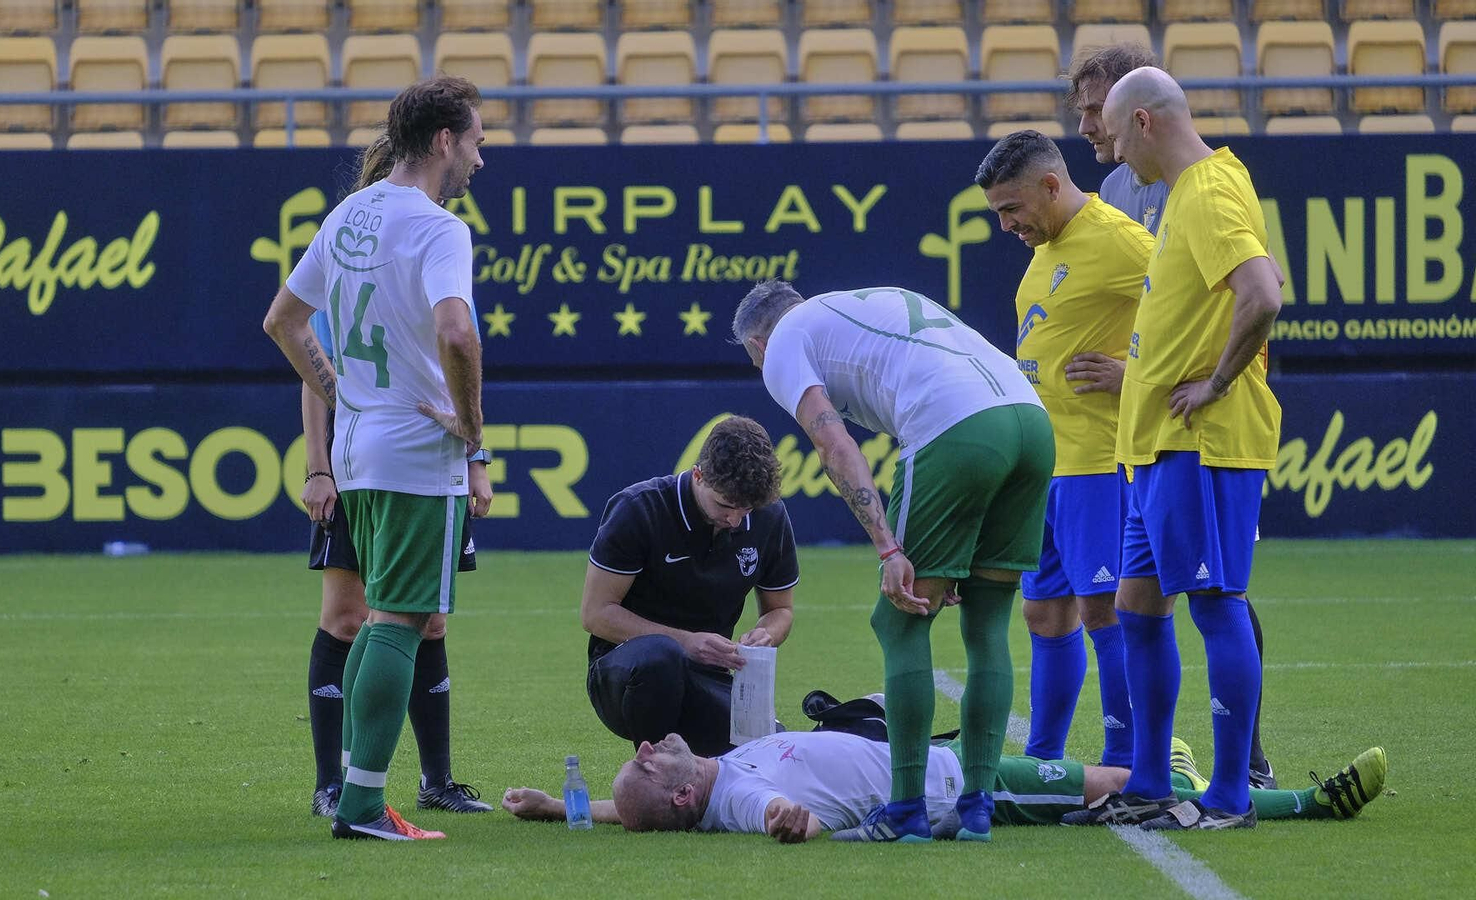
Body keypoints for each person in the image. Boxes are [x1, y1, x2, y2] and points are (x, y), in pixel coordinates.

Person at [732, 281, 1053, 843]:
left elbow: (836, 447)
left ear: (756, 343)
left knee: (900, 616)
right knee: (986, 621)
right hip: (1031, 422)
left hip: (955, 426)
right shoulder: (859, 305)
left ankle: (907, 810)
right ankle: (976, 809)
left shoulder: (782, 344)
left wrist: (889, 549)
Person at [264, 75, 488, 841]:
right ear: (442, 142)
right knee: (399, 620)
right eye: (476, 142)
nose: (480, 161)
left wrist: (345, 397)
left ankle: (358, 793)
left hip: (360, 447)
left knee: (378, 619)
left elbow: (283, 323)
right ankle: (362, 807)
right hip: (416, 450)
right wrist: (472, 428)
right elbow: (457, 334)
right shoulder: (436, 228)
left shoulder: (348, 213)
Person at [1063, 67, 1285, 831]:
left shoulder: (1211, 189)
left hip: (1200, 442)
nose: (1114, 151)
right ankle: (1152, 781)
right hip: (1155, 447)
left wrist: (1218, 382)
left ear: (1147, 123)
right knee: (1137, 609)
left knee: (1216, 606)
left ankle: (1229, 795)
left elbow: (1264, 292)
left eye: (1117, 135)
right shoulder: (1191, 194)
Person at [975, 130, 1152, 771]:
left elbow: (1219, 309)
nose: (1006, 224)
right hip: (1044, 470)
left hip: (1098, 467)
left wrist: (1134, 377)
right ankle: (1043, 760)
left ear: (1052, 185)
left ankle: (1127, 762)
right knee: (1045, 614)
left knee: (1105, 608)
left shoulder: (1121, 240)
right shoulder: (1048, 244)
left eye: (1012, 208)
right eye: (998, 212)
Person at [499, 731, 1387, 841]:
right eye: (649, 759)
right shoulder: (730, 797)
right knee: (1144, 789)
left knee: (1131, 777)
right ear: (685, 795)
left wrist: (552, 804)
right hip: (971, 789)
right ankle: (1308, 802)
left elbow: (639, 812)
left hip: (952, 760)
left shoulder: (709, 778)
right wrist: (789, 822)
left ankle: (1182, 774)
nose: (650, 743)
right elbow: (779, 816)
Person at [584, 415, 798, 759]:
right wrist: (685, 642)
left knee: (773, 751)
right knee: (662, 657)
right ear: (698, 475)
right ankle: (651, 777)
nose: (736, 520)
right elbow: (595, 614)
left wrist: (765, 635)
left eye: (748, 509)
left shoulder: (770, 517)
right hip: (624, 673)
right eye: (726, 506)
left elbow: (780, 610)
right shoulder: (639, 509)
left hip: (708, 674)